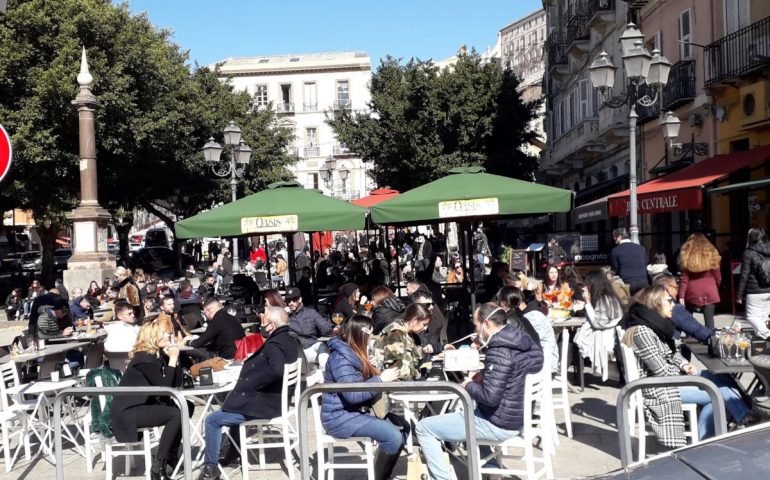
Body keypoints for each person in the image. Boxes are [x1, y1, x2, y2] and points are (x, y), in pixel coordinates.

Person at [415, 303, 544, 480]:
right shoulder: (522, 340)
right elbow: (522, 368)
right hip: (519, 416)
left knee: (424, 428)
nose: (475, 329)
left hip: (499, 422)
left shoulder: (499, 350)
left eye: (476, 324)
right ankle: (490, 470)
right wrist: (486, 375)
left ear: (487, 324)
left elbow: (490, 397)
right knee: (473, 409)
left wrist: (468, 385)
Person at [622, 286, 752, 445]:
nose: (674, 305)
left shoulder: (652, 325)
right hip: (659, 389)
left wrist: (684, 364)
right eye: (669, 301)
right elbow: (662, 371)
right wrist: (683, 373)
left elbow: (669, 353)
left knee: (720, 377)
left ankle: (733, 423)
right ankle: (746, 421)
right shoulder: (642, 332)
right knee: (718, 391)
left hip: (669, 382)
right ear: (657, 304)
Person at [196, 307, 300, 480]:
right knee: (231, 404)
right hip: (276, 401)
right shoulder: (287, 338)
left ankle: (210, 469)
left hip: (266, 405)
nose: (262, 325)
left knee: (212, 420)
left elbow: (276, 370)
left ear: (272, 326)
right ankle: (233, 452)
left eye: (264, 322)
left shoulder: (274, 344)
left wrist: (252, 383)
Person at [321, 315, 406, 479]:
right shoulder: (341, 358)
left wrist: (369, 367)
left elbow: (357, 383)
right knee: (393, 436)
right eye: (369, 336)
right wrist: (380, 379)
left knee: (403, 427)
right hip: (339, 416)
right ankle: (379, 476)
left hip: (354, 411)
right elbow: (352, 394)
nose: (370, 340)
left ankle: (382, 474)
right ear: (361, 335)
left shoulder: (352, 351)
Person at [110, 321, 187, 480]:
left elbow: (175, 385)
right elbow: (164, 387)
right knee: (175, 414)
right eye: (164, 333)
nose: (169, 335)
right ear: (153, 337)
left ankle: (171, 454)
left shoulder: (153, 357)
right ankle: (158, 467)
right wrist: (172, 359)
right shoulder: (143, 359)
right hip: (127, 412)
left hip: (141, 406)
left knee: (188, 407)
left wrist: (175, 359)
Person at [572, 271, 625, 381]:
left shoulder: (605, 300)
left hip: (608, 338)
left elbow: (597, 322)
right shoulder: (609, 298)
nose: (585, 287)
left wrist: (587, 302)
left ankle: (572, 376)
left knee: (575, 341)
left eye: (587, 285)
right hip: (610, 334)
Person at [495, 287, 557, 371]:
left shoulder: (509, 321)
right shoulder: (522, 318)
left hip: (529, 370)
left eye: (497, 301)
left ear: (502, 303)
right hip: (537, 363)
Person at [372, 303, 432, 380]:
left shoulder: (410, 333)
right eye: (424, 324)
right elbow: (397, 370)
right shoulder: (395, 333)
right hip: (396, 386)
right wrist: (418, 376)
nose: (425, 328)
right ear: (414, 320)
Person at [678, 233, 722, 330]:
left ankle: (689, 340)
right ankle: (711, 340)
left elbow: (684, 279)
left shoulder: (687, 255)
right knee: (710, 322)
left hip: (692, 291)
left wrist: (681, 295)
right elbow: (717, 276)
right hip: (710, 290)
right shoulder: (712, 253)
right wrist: (715, 287)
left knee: (688, 320)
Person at [653, 275, 712, 343]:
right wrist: (716, 336)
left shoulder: (649, 304)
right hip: (667, 348)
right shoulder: (674, 308)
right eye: (676, 288)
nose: (677, 291)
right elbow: (698, 330)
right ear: (668, 288)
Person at [286, 287, 333, 368]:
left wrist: (334, 329)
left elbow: (324, 326)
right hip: (299, 352)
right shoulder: (286, 317)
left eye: (294, 300)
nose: (291, 303)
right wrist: (284, 315)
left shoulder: (310, 312)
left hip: (313, 346)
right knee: (326, 358)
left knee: (323, 350)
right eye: (288, 301)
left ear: (300, 300)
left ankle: (324, 376)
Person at [736, 228, 770, 338]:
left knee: (752, 317)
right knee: (763, 318)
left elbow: (744, 275)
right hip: (768, 290)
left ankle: (768, 335)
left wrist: (739, 294)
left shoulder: (748, 253)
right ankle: (761, 344)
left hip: (755, 291)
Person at [610, 228, 649, 294]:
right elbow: (645, 264)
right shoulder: (641, 249)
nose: (613, 239)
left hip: (627, 283)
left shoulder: (615, 251)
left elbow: (615, 270)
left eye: (614, 237)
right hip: (643, 282)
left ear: (619, 237)